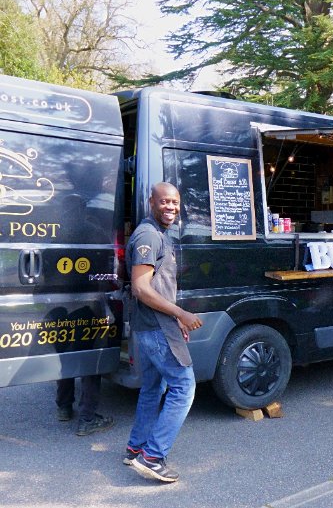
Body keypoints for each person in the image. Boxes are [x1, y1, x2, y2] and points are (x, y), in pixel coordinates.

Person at [124, 182, 203, 483]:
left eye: (175, 202)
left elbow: (157, 287)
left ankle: (135, 449)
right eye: (164, 202)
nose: (170, 207)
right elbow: (141, 288)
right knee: (184, 388)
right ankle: (153, 457)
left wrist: (176, 319)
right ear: (151, 202)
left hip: (153, 325)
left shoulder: (158, 233)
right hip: (156, 327)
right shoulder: (147, 234)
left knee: (152, 389)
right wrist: (180, 314)